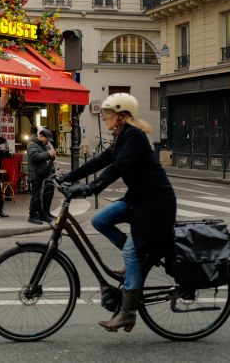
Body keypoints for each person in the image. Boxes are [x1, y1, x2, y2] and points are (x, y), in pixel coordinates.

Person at [59, 93, 176, 333]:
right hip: (139, 198)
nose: (104, 118)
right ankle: (139, 259)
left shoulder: (133, 136)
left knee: (132, 253)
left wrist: (92, 188)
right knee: (100, 219)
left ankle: (127, 313)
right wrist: (68, 177)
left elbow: (118, 166)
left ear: (121, 115)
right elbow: (101, 160)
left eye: (107, 114)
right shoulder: (122, 135)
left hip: (155, 203)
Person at [26, 128, 56, 224]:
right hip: (36, 174)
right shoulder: (31, 144)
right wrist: (48, 153)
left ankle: (43, 214)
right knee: (36, 195)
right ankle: (32, 215)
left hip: (43, 173)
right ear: (41, 136)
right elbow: (35, 157)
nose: (47, 142)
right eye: (46, 139)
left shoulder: (43, 145)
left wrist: (51, 155)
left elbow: (46, 156)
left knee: (45, 195)